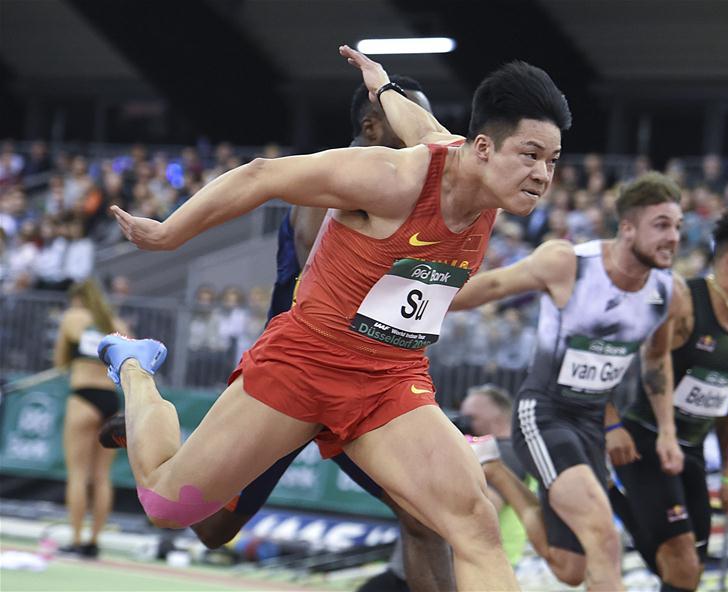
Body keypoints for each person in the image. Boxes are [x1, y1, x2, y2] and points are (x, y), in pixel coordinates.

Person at [97, 45, 571, 591]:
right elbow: (262, 175)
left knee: (474, 525)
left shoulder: (484, 177)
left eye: (553, 161)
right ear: (483, 148)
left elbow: (420, 121)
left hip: (389, 383)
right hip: (303, 363)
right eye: (531, 155)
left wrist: (384, 86)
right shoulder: (393, 178)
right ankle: (135, 367)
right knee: (167, 503)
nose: (542, 175)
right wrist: (167, 233)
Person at [449, 172, 687, 590]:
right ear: (628, 228)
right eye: (662, 225)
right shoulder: (569, 263)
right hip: (544, 413)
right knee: (604, 535)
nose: (674, 237)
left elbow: (657, 360)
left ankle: (495, 468)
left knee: (570, 568)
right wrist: (404, 303)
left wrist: (667, 431)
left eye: (679, 227)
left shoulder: (668, 292)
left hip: (590, 423)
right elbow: (490, 286)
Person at [610, 209, 728, 591]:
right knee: (682, 561)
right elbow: (615, 352)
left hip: (693, 449)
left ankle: (612, 498)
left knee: (689, 569)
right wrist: (611, 424)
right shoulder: (684, 302)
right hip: (647, 439)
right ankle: (611, 493)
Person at [52, 279, 128, 558]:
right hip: (111, 400)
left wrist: (71, 361)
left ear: (77, 299)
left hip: (83, 396)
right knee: (102, 476)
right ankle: (93, 542)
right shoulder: (118, 324)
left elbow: (60, 360)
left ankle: (75, 539)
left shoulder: (73, 317)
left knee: (78, 474)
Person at [459, 384, 530, 565]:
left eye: (471, 418)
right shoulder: (519, 449)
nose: (464, 424)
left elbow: (479, 511)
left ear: (497, 419)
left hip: (491, 560)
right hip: (503, 559)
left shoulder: (502, 454)